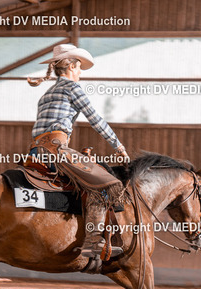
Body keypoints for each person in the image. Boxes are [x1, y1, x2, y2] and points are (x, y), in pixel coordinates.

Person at [27, 44, 130, 260]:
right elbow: (96, 119)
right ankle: (92, 242)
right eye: (80, 67)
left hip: (35, 152)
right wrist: (118, 146)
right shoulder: (72, 88)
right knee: (107, 184)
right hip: (56, 150)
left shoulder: (46, 94)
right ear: (72, 66)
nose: (81, 72)